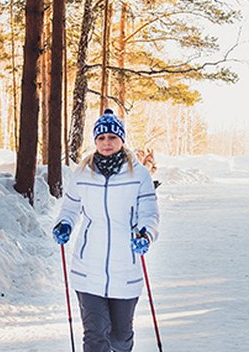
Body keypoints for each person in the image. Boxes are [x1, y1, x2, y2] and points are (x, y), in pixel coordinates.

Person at [53, 108, 160, 352]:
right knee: (94, 335)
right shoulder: (82, 174)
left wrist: (145, 234)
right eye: (101, 138)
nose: (107, 143)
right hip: (88, 267)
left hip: (125, 266)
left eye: (112, 137)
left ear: (121, 139)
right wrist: (64, 224)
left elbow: (149, 213)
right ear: (95, 141)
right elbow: (70, 208)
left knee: (121, 337)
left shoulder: (139, 175)